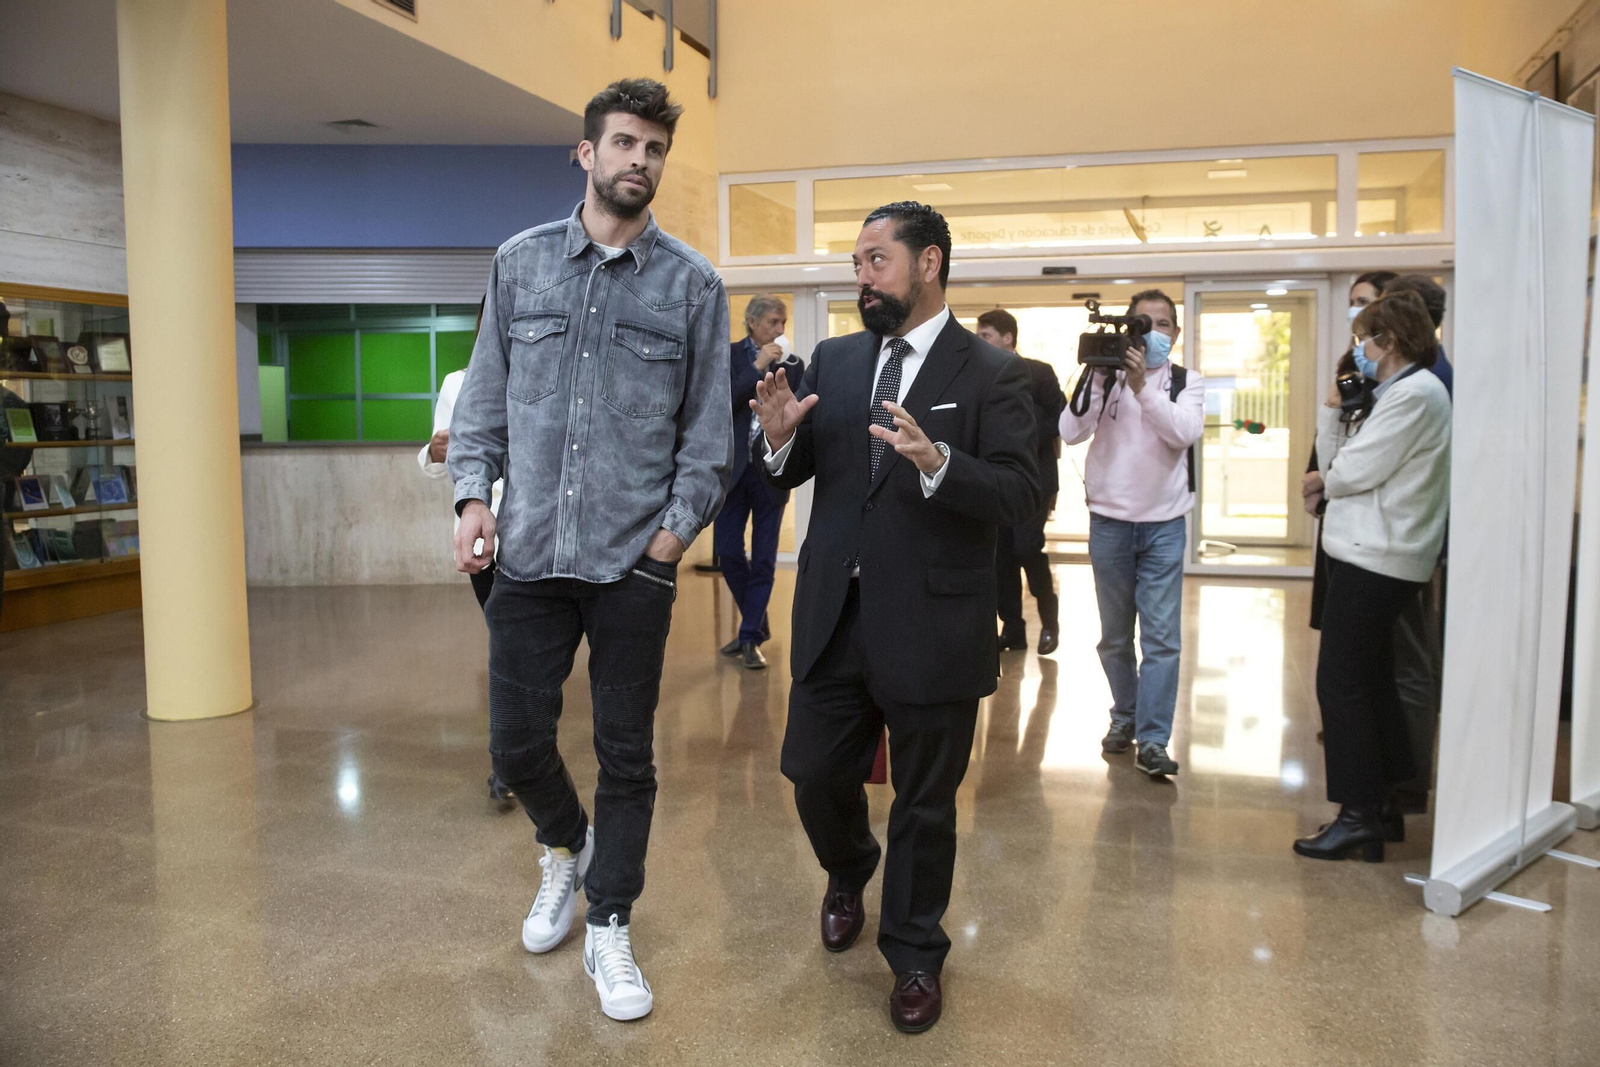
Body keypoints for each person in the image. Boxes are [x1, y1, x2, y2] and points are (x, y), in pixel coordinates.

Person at [447, 78, 731, 1022]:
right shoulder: (520, 263)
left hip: (630, 568)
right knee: (516, 744)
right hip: (527, 557)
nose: (639, 160)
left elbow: (708, 441)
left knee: (627, 757)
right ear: (586, 152)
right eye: (623, 143)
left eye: (654, 148)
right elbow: (483, 402)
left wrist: (666, 548)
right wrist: (472, 497)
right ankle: (566, 847)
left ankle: (609, 921)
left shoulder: (692, 285)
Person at [752, 201, 1039, 1034]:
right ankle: (850, 867)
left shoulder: (993, 373)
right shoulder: (838, 360)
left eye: (876, 259)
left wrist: (941, 462)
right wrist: (777, 441)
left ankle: (914, 953)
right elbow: (797, 465)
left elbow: (1023, 494)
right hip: (835, 613)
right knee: (812, 772)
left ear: (930, 262)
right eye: (857, 263)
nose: (863, 276)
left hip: (934, 623)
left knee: (924, 801)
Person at [1295, 289, 1451, 862]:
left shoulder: (1414, 394)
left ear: (1392, 341)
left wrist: (1328, 476)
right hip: (1369, 552)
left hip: (1378, 557)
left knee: (1341, 683)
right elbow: (1337, 461)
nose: (1358, 347)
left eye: (1365, 337)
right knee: (1374, 680)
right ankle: (1381, 804)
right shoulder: (1391, 394)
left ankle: (1357, 813)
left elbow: (1350, 471)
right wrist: (1335, 411)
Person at [1060, 290, 1203, 778]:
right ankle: (1124, 715)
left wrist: (1143, 387)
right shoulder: (1106, 376)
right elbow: (1070, 431)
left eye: (1162, 325)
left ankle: (1154, 738)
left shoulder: (1186, 382)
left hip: (1164, 525)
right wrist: (1101, 378)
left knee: (1162, 639)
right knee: (1115, 637)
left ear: (1175, 334)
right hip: (1110, 523)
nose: (1153, 334)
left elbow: (1182, 433)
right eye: (1143, 324)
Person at [418, 299, 511, 807]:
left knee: (529, 650)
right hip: (485, 539)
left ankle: (520, 752)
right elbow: (439, 456)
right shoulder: (459, 382)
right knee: (507, 645)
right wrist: (433, 452)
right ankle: (507, 763)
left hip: (543, 532)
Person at [1303, 271, 1398, 629]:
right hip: (1338, 500)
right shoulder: (1355, 360)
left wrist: (1329, 477)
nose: (1354, 310)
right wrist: (1316, 476)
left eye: (1363, 302)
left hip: (1371, 516)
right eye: (1352, 303)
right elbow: (1334, 423)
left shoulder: (1406, 383)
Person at [716, 294, 804, 669]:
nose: (780, 330)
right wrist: (758, 364)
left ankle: (750, 635)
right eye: (773, 322)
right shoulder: (729, 355)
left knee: (765, 557)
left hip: (771, 471)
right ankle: (757, 622)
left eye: (783, 323)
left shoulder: (795, 365)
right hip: (734, 470)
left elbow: (797, 413)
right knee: (728, 551)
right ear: (752, 322)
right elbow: (724, 400)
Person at [975, 309, 1064, 655]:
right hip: (995, 480)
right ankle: (1013, 628)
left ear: (1008, 338)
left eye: (986, 336)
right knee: (1002, 557)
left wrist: (1017, 432)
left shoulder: (1039, 373)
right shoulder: (980, 374)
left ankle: (1049, 620)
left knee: (1027, 547)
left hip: (1035, 480)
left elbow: (1061, 419)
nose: (981, 342)